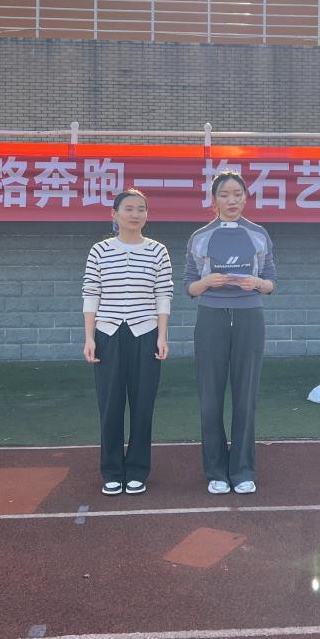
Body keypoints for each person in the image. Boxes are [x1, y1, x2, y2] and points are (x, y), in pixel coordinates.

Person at [184, 170, 276, 496]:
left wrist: (258, 284)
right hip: (211, 318)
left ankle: (242, 470)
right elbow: (189, 287)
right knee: (210, 397)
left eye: (237, 194)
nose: (231, 200)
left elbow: (271, 282)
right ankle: (216, 471)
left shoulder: (258, 234)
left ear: (246, 197)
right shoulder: (200, 237)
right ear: (214, 199)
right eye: (224, 194)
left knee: (245, 396)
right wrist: (207, 282)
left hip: (250, 317)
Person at [83, 189, 173, 496]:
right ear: (114, 214)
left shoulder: (158, 251)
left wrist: (161, 335)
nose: (135, 214)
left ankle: (137, 469)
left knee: (142, 404)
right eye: (129, 209)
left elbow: (163, 294)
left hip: (145, 333)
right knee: (110, 405)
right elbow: (91, 293)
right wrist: (89, 337)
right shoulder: (100, 250)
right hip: (107, 334)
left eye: (141, 209)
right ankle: (111, 470)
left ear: (147, 215)